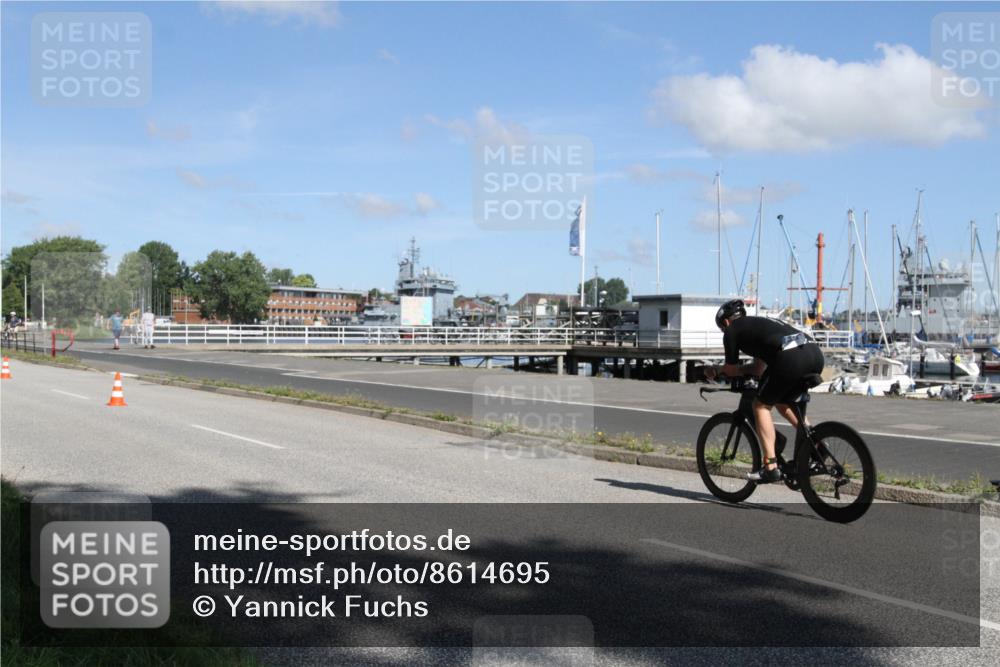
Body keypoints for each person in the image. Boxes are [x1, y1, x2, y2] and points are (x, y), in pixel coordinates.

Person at [704, 299, 824, 483]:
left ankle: (770, 467)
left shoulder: (731, 330)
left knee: (760, 406)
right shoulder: (758, 325)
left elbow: (730, 370)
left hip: (790, 358)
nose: (724, 331)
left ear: (726, 322)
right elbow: (759, 369)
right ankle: (817, 445)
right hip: (813, 353)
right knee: (782, 402)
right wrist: (743, 371)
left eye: (722, 328)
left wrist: (715, 370)